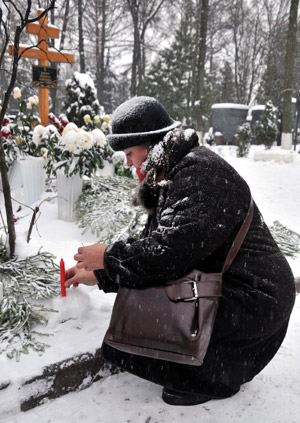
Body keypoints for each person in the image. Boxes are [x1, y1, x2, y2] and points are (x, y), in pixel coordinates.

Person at [65, 96, 295, 406]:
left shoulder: (201, 173)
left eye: (130, 154)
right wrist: (102, 274)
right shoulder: (175, 173)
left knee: (143, 332)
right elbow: (157, 251)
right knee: (134, 335)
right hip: (240, 291)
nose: (129, 163)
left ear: (151, 144)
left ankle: (214, 380)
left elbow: (168, 254)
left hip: (256, 301)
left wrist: (108, 257)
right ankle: (205, 370)